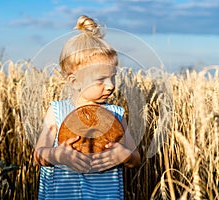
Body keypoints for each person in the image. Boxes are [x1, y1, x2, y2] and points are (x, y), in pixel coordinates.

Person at [34, 15, 141, 200]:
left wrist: (125, 156)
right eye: (101, 79)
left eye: (113, 77)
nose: (111, 85)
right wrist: (57, 156)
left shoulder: (116, 114)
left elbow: (135, 157)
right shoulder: (57, 111)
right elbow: (39, 155)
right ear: (75, 81)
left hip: (105, 195)